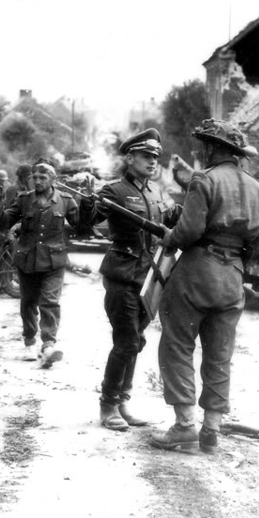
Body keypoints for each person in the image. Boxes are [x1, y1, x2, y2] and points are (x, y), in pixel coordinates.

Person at [150, 118, 259, 454]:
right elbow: (256, 241)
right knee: (220, 354)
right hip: (233, 277)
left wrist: (170, 235)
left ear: (214, 148)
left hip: (198, 272)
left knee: (177, 345)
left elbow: (188, 232)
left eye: (204, 144)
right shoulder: (256, 188)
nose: (200, 150)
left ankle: (185, 426)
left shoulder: (204, 179)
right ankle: (211, 430)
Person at [79, 129, 181, 431]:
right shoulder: (114, 191)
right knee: (126, 341)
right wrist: (87, 202)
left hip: (148, 279)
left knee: (135, 342)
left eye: (155, 157)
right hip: (122, 274)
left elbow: (178, 217)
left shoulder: (157, 193)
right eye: (146, 156)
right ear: (130, 157)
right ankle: (108, 404)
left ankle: (123, 401)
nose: (152, 162)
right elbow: (86, 223)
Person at [0, 159, 82, 367]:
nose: (38, 181)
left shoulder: (66, 200)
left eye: (43, 178)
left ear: (53, 180)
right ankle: (30, 339)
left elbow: (81, 226)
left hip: (54, 261)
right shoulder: (24, 200)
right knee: (28, 302)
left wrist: (88, 207)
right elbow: (5, 222)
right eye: (35, 177)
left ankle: (48, 344)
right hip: (28, 260)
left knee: (50, 301)